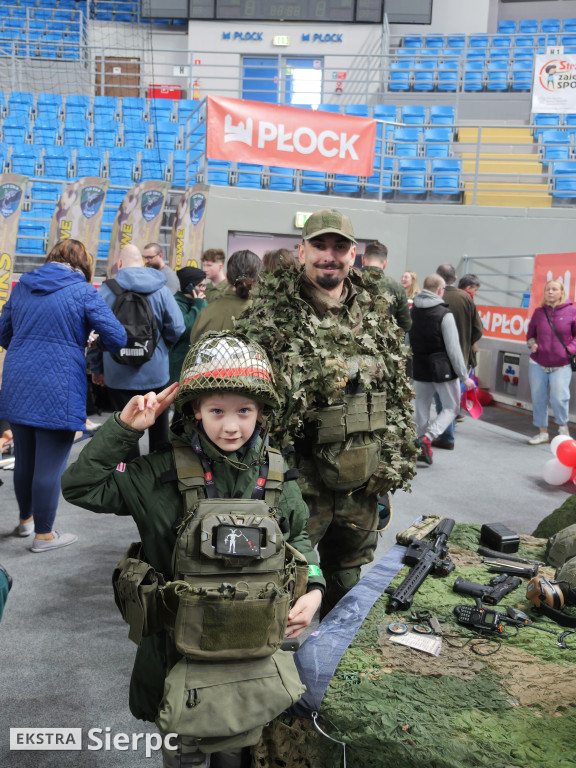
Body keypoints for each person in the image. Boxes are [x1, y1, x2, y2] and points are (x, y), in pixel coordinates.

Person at [61, 332, 325, 768]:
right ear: (195, 410)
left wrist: (313, 590)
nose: (231, 426)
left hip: (252, 657)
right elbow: (81, 487)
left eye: (244, 411)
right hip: (176, 658)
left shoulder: (277, 474)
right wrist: (126, 429)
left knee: (238, 751)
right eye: (217, 411)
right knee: (184, 754)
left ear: (261, 412)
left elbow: (299, 542)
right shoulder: (157, 474)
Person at [235, 208, 416, 617]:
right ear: (302, 252)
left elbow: (396, 390)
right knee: (282, 575)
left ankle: (334, 651)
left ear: (353, 254)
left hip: (360, 478)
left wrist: (391, 460)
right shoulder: (269, 314)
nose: (329, 256)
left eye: (339, 247)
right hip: (297, 476)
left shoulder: (376, 309)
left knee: (347, 579)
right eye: (319, 246)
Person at [0, 239, 126, 551]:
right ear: (84, 264)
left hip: (18, 379)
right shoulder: (83, 291)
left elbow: (3, 334)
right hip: (59, 383)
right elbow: (117, 337)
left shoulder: (22, 286)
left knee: (24, 458)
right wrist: (90, 341)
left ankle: (26, 522)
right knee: (50, 465)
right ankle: (44, 536)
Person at [89, 244, 185, 462]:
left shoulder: (105, 291)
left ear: (119, 264)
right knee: (159, 432)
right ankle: (158, 476)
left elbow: (94, 333)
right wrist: (161, 347)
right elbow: (177, 328)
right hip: (156, 373)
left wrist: (97, 368)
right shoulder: (161, 289)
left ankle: (129, 474)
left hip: (117, 374)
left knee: (124, 433)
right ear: (142, 263)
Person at [409, 274, 476, 465]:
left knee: (421, 406)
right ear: (440, 290)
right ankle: (428, 438)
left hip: (419, 367)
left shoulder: (413, 312)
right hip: (442, 369)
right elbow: (453, 349)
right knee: (452, 407)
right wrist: (464, 376)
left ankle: (421, 445)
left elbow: (407, 341)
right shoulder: (444, 314)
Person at [433, 263, 484, 450]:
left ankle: (446, 437)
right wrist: (466, 342)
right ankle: (447, 435)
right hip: (461, 357)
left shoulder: (433, 297)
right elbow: (478, 329)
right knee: (451, 398)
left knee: (440, 399)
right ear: (455, 279)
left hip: (438, 358)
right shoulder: (466, 299)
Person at [526, 279, 576, 445]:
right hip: (538, 363)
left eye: (554, 289)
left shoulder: (572, 311)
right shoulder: (539, 312)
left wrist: (569, 349)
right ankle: (543, 433)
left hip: (561, 364)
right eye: (548, 289)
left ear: (562, 292)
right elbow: (530, 334)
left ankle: (563, 428)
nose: (550, 292)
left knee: (559, 398)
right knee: (538, 398)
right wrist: (532, 344)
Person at [190, 250, 262, 345]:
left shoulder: (206, 313)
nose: (205, 269)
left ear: (227, 277)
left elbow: (194, 345)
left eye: (209, 265)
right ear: (260, 280)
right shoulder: (263, 317)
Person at [168, 266, 207, 384]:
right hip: (179, 363)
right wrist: (197, 305)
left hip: (198, 361)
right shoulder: (175, 303)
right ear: (189, 286)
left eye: (204, 286)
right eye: (200, 286)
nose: (203, 289)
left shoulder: (201, 302)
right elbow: (185, 329)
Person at [362, 241, 411, 332]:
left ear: (363, 260)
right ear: (385, 263)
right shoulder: (397, 287)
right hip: (385, 339)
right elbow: (406, 325)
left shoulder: (347, 281)